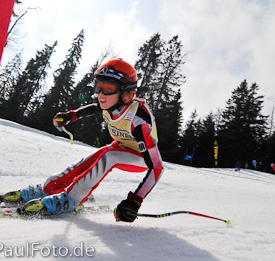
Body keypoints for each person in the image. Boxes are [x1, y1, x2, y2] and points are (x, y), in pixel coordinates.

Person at [10, 59, 164, 222]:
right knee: (88, 161)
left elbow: (157, 166)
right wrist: (70, 115)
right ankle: (49, 188)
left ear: (126, 94)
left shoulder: (138, 121)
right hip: (120, 146)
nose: (101, 94)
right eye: (98, 86)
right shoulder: (110, 104)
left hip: (139, 156)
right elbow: (93, 108)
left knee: (108, 158)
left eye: (108, 88)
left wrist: (134, 201)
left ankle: (71, 200)